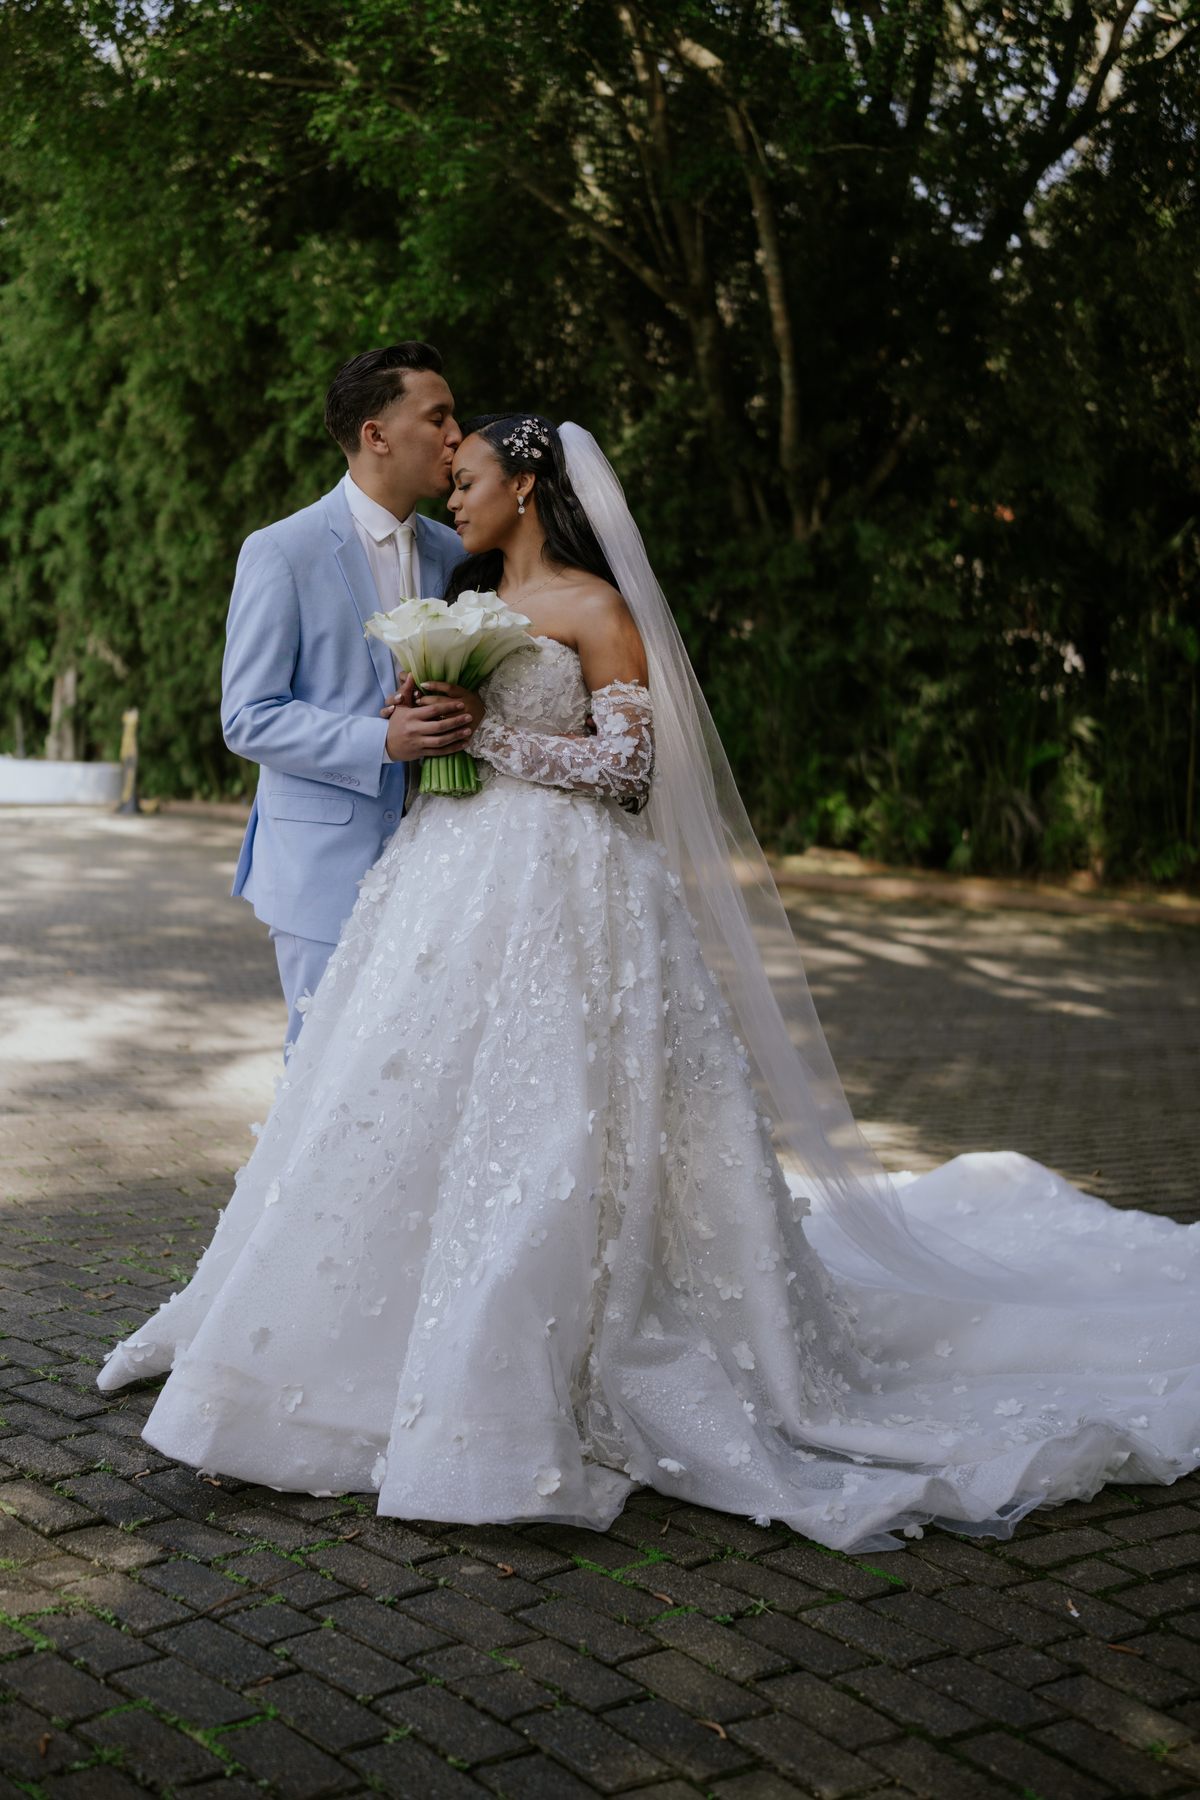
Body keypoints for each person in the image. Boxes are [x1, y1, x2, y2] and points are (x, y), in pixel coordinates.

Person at [98, 416, 1200, 1552]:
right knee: (402, 1099)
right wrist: (414, 723)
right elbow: (422, 735)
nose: (452, 497)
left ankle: (548, 1351)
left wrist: (492, 740)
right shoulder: (462, 598)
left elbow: (628, 771)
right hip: (444, 880)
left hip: (570, 890)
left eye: (469, 480)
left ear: (527, 487)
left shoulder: (597, 609)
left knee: (560, 1114)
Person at [221, 342, 472, 1056]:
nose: (457, 436)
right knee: (322, 1070)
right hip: (323, 863)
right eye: (438, 417)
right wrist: (380, 741)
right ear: (376, 434)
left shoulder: (458, 553)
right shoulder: (282, 550)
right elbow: (247, 717)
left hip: (444, 857)